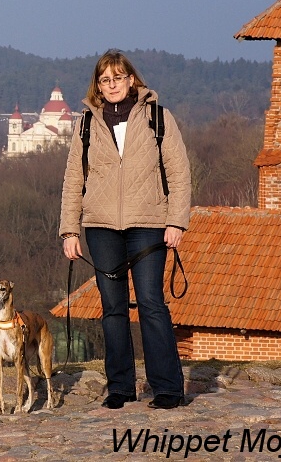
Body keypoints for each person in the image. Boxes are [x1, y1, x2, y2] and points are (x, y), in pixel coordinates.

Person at [59, 49, 191, 410]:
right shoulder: (86, 124)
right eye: (105, 79)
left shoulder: (158, 117)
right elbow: (73, 179)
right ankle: (120, 387)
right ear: (98, 86)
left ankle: (167, 388)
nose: (112, 84)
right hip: (101, 226)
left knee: (151, 303)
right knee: (113, 308)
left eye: (118, 77)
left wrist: (176, 221)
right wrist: (70, 230)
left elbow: (179, 172)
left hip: (148, 223)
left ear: (131, 79)